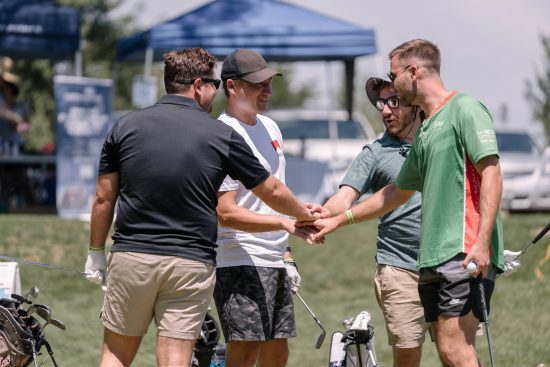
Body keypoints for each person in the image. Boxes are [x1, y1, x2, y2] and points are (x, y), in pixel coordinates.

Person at [84, 48, 320, 367]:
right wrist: (305, 217)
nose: (215, 93)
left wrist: (96, 251)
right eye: (214, 85)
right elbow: (271, 189)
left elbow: (103, 198)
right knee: (175, 359)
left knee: (115, 355)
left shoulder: (125, 126)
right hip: (190, 262)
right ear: (198, 85)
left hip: (132, 257)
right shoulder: (220, 134)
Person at [308, 39, 505, 367]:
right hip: (428, 259)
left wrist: (484, 241)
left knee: (456, 349)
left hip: (464, 250)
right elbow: (395, 192)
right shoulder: (426, 135)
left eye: (395, 76)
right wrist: (335, 219)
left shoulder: (465, 109)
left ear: (413, 73)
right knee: (448, 350)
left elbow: (492, 173)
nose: (386, 102)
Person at [213, 49, 312, 367]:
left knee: (277, 353)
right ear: (232, 87)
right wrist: (284, 223)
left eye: (269, 83)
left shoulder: (270, 128)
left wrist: (286, 254)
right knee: (245, 353)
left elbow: (275, 195)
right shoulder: (223, 134)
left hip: (274, 260)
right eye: (259, 84)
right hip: (237, 258)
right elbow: (225, 212)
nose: (268, 91)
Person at [323, 77, 427, 367]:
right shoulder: (375, 152)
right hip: (400, 267)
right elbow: (344, 198)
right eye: (381, 103)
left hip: (449, 263)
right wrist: (317, 217)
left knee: (457, 351)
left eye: (393, 101)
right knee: (407, 357)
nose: (384, 110)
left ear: (415, 103)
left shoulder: (437, 139)